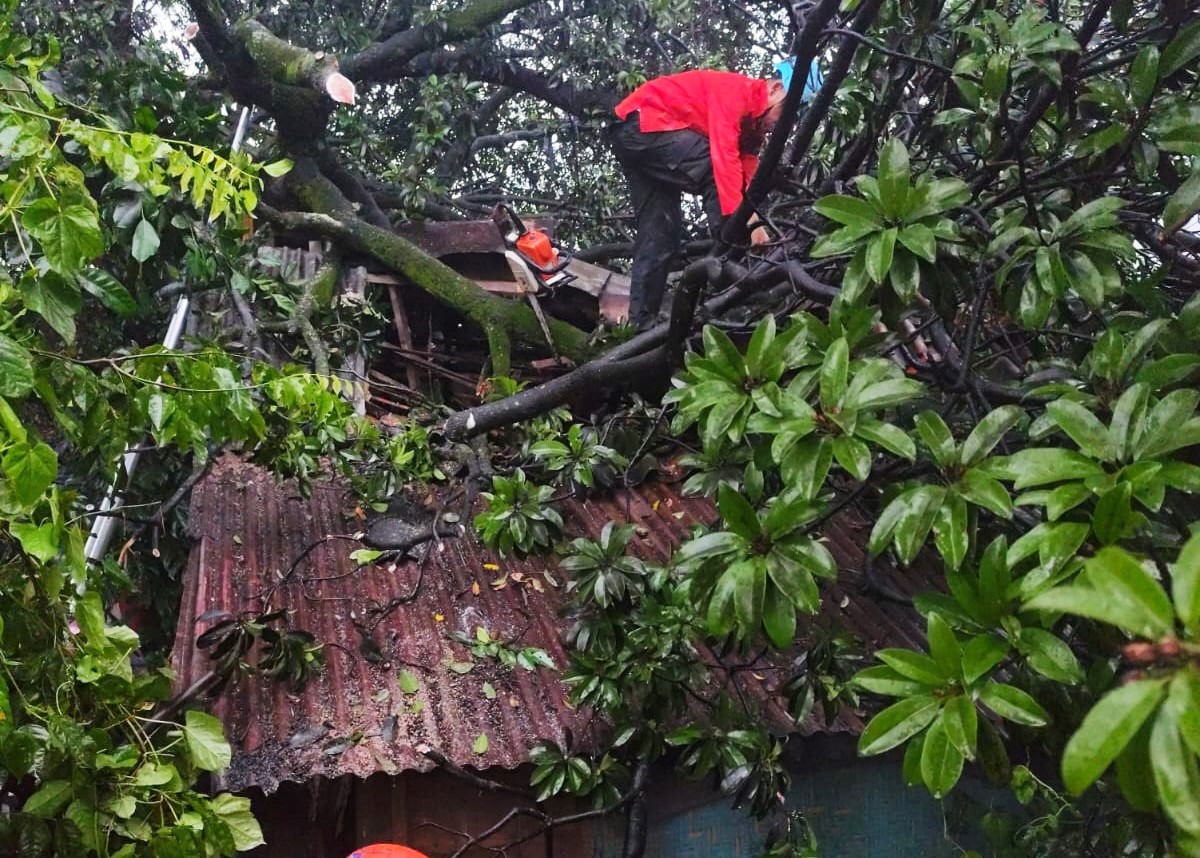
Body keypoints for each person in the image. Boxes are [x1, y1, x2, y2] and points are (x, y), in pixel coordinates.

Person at [609, 60, 819, 329]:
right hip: (642, 124)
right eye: (786, 112)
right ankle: (728, 258)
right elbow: (724, 161)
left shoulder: (753, 131)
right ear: (776, 88)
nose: (783, 124)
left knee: (660, 234)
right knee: (715, 169)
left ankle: (640, 324)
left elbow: (749, 178)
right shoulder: (736, 93)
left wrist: (756, 217)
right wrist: (749, 224)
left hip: (644, 141)